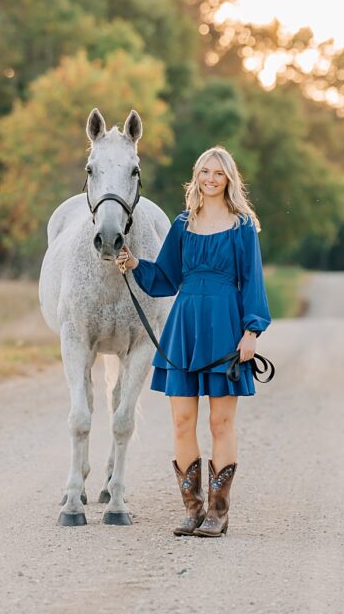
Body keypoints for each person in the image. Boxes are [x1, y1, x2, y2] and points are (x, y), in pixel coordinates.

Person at [115, 145, 271, 538]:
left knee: (221, 423)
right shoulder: (183, 224)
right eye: (205, 171)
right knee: (182, 421)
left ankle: (219, 512)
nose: (211, 179)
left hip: (226, 327)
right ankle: (193, 509)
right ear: (197, 176)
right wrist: (134, 264)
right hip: (184, 326)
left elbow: (253, 282)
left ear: (229, 179)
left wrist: (251, 331)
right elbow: (166, 277)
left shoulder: (241, 227)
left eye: (219, 173)